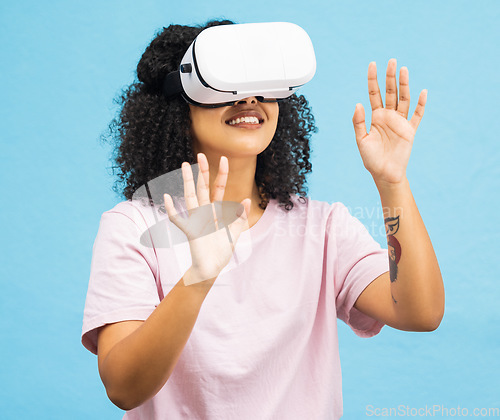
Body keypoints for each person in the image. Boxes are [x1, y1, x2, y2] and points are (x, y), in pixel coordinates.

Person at [81, 19, 445, 419]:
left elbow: (421, 313)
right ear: (177, 102)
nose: (248, 99)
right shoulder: (134, 227)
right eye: (224, 86)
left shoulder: (323, 229)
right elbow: (123, 387)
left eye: (262, 87)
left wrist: (392, 182)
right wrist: (197, 279)